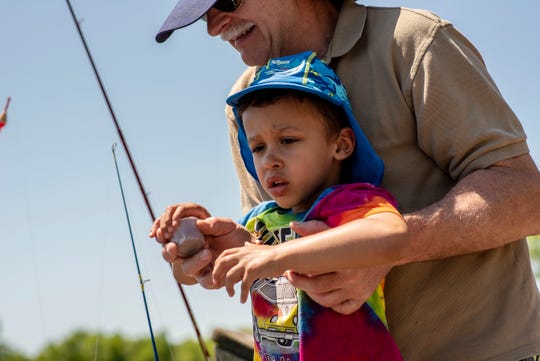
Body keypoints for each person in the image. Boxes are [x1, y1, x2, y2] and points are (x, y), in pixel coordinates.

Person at [151, 1, 540, 360]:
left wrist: (374, 251)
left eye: (227, 1)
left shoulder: (412, 40)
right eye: (203, 15)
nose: (214, 26)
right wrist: (216, 252)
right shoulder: (242, 102)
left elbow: (527, 196)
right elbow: (273, 243)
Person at [157, 50, 407, 360]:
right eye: (258, 147)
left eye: (287, 140)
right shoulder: (260, 221)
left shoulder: (350, 204)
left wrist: (274, 256)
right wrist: (191, 250)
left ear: (341, 144)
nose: (269, 160)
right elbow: (201, 275)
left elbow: (393, 235)